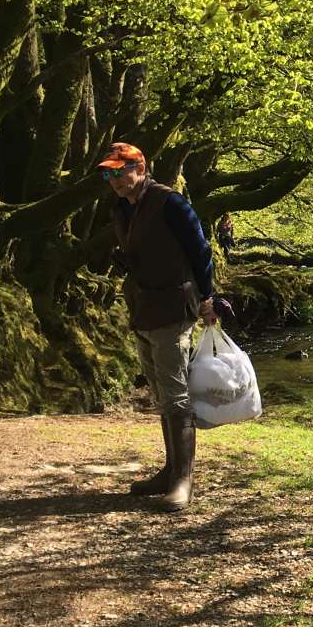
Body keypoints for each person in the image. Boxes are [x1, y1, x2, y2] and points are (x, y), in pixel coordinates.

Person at [99, 141, 216, 512]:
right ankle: (169, 472)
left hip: (173, 306)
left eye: (120, 171)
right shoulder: (122, 208)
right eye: (109, 173)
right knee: (161, 393)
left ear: (141, 168)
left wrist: (208, 297)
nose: (115, 179)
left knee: (176, 395)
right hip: (143, 308)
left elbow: (201, 251)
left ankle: (183, 482)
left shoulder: (172, 203)